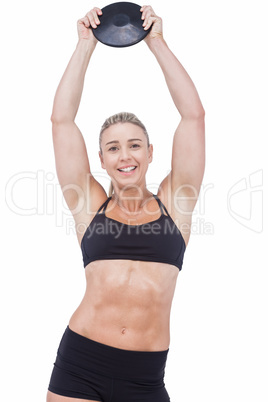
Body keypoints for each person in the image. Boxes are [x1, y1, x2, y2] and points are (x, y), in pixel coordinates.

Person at [47, 5, 205, 402]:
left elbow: (193, 117)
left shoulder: (177, 203)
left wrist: (157, 43)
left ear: (151, 152)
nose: (125, 155)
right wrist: (85, 45)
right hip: (80, 363)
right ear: (100, 159)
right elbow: (62, 120)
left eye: (134, 145)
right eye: (113, 148)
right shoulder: (89, 206)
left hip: (144, 377)